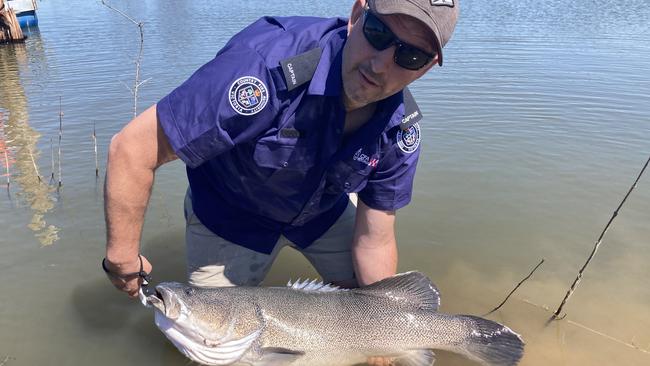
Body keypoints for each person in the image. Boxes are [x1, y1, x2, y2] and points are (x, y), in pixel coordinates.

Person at [104, 0, 458, 298]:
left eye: (410, 56)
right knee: (211, 339)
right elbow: (133, 149)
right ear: (356, 15)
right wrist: (122, 256)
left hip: (320, 213)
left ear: (425, 68)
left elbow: (375, 240)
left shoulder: (400, 129)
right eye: (378, 33)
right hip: (230, 215)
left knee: (363, 302)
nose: (380, 64)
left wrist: (382, 328)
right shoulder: (262, 67)